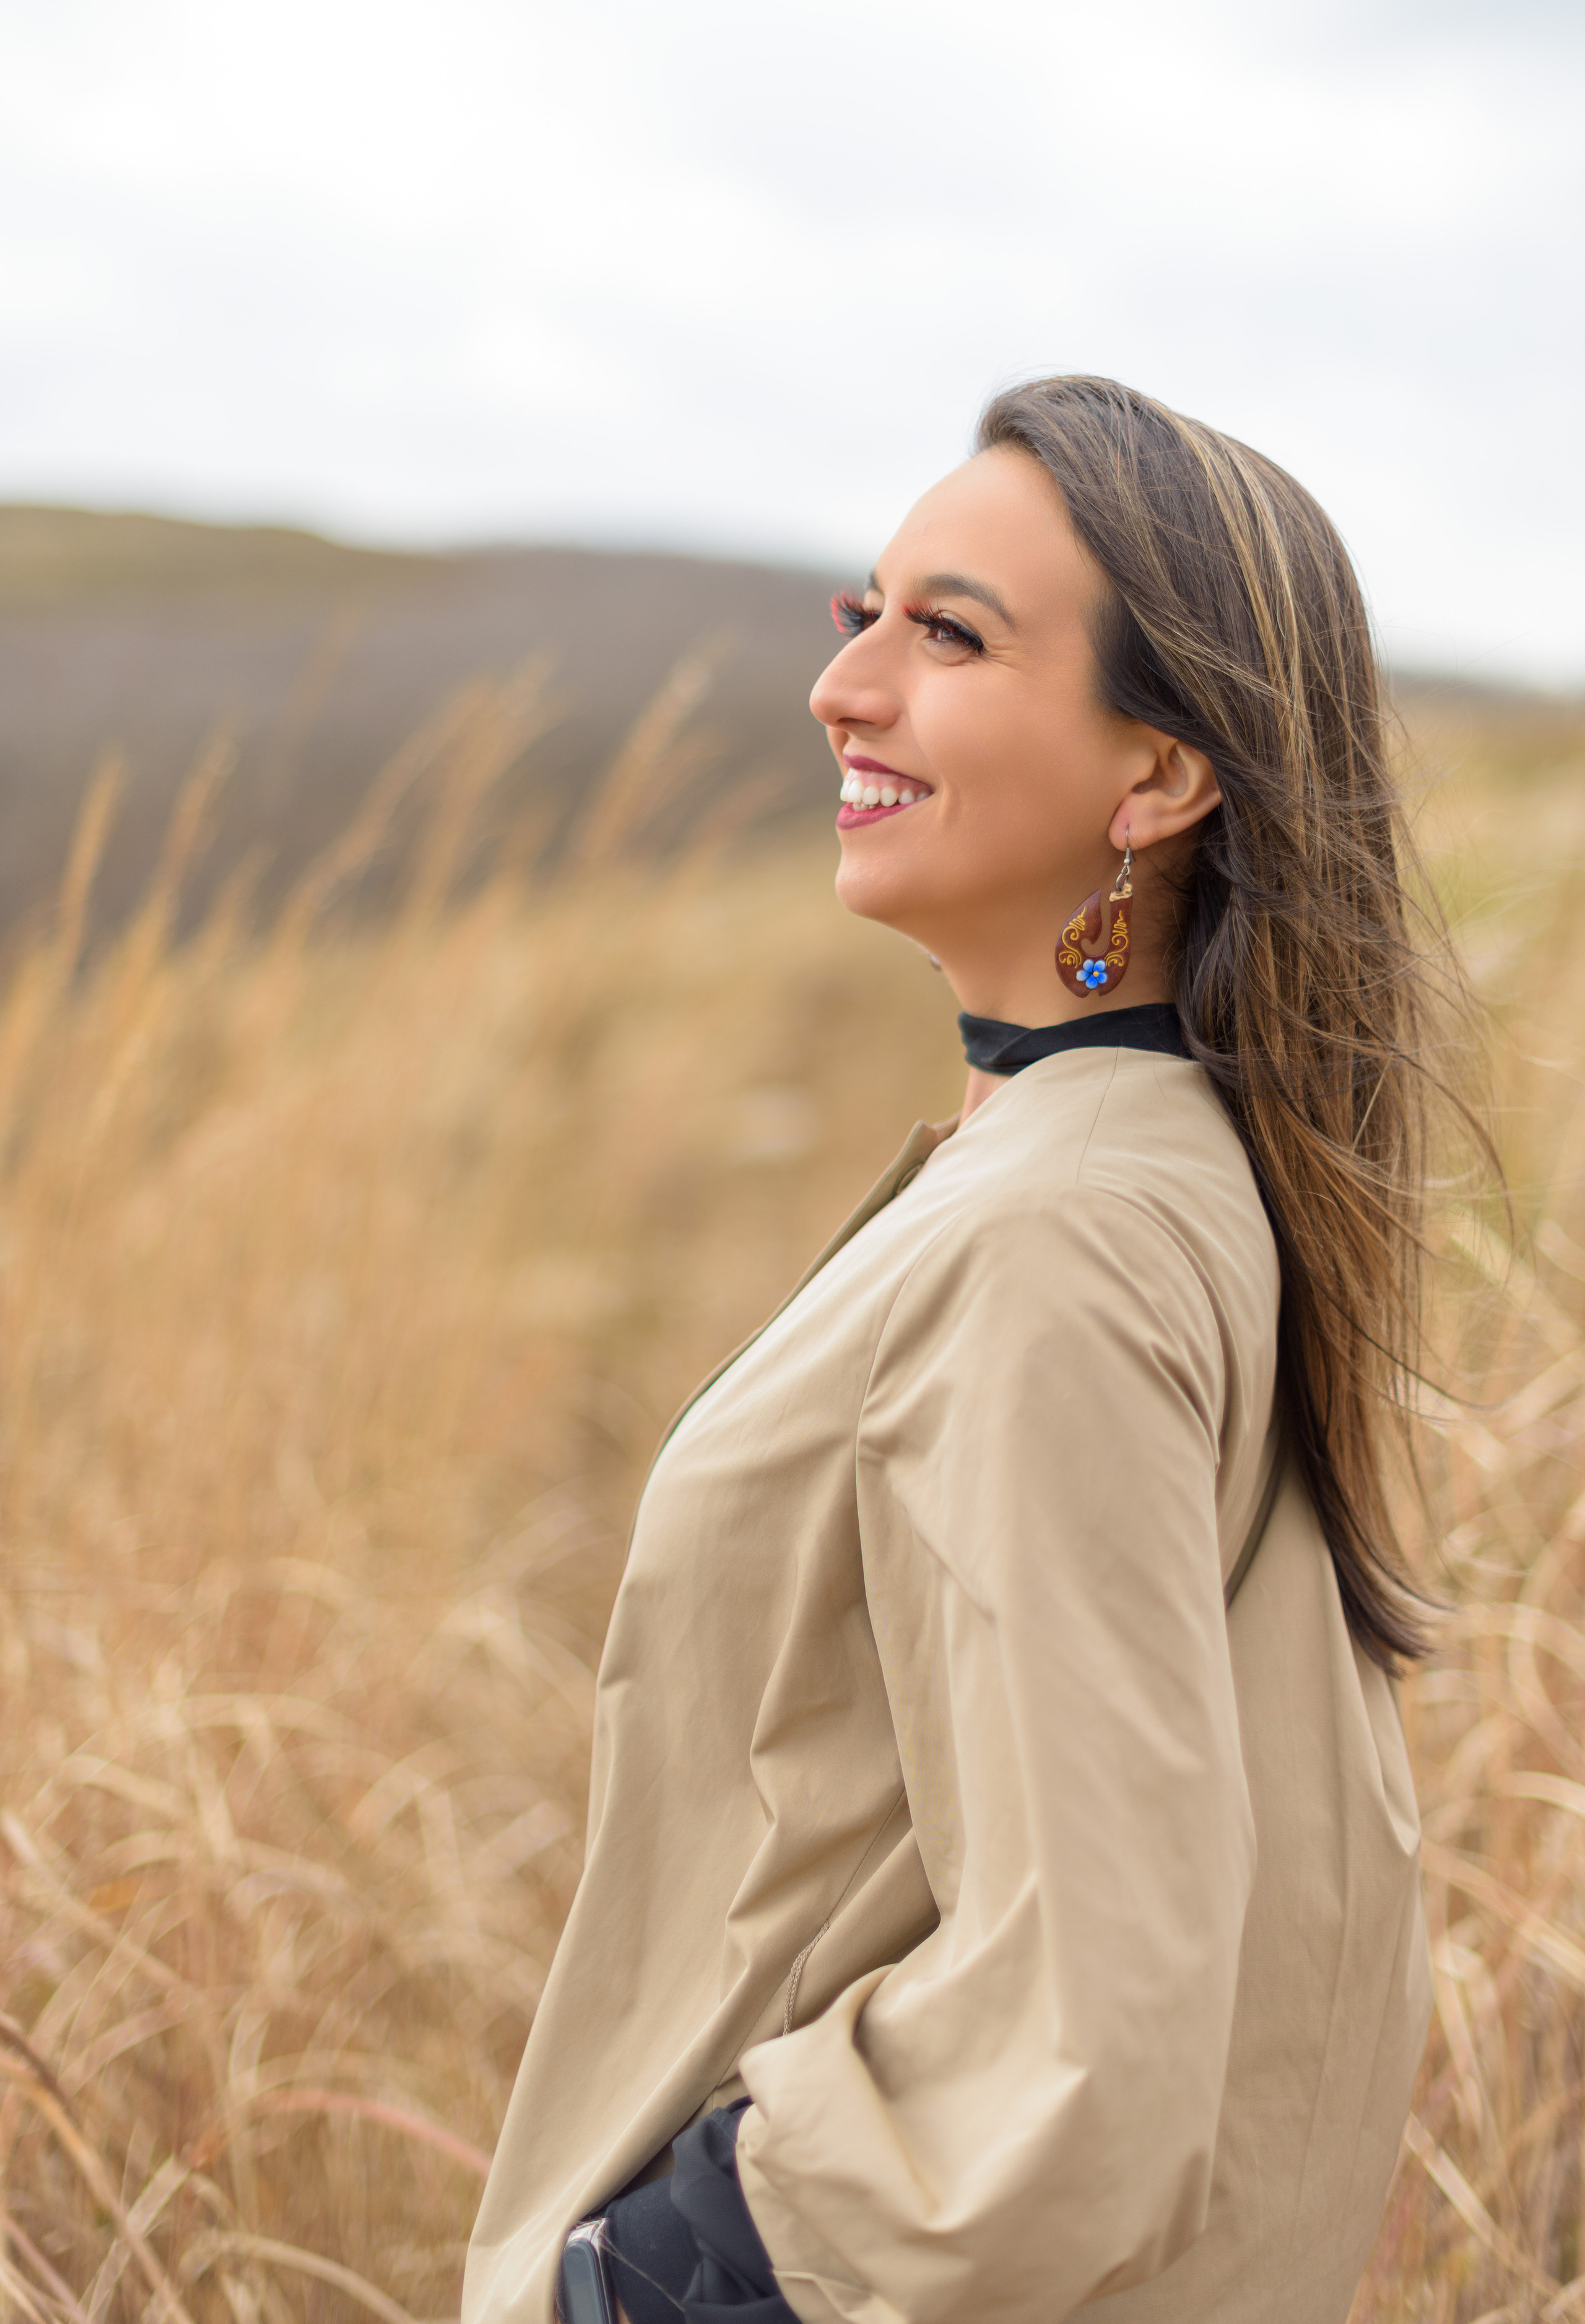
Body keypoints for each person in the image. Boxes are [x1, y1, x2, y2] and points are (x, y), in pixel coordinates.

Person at [464, 375, 1449, 2324]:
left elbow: (1096, 2009)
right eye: (866, 616)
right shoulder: (1131, 1163)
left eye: (952, 633)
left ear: (1158, 774)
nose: (844, 689)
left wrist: (655, 2277)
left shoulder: (1062, 1243)